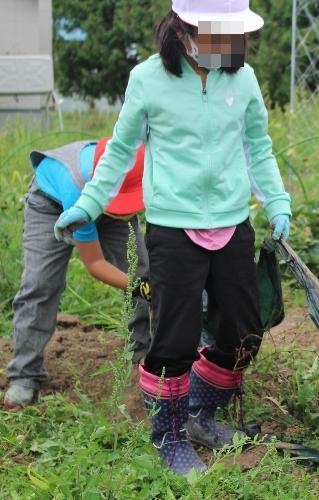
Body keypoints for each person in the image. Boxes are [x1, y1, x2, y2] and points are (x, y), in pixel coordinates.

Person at [53, 0, 292, 475]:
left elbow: (256, 146)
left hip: (231, 220)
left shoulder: (241, 79)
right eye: (219, 34)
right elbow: (121, 150)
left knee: (244, 330)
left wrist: (278, 201)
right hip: (173, 225)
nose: (231, 45)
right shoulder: (147, 79)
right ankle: (171, 435)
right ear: (185, 30)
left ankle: (202, 414)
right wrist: (89, 204)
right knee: (174, 340)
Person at [3, 137, 150, 409]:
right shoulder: (75, 188)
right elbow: (95, 264)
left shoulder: (136, 164)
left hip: (112, 196)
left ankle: (145, 356)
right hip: (53, 202)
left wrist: (145, 282)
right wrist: (141, 287)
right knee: (40, 284)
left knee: (142, 268)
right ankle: (25, 375)